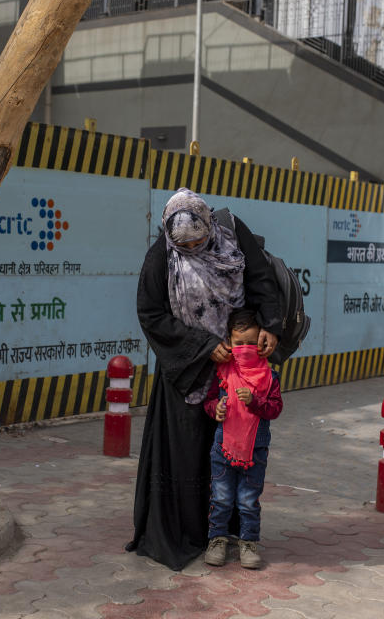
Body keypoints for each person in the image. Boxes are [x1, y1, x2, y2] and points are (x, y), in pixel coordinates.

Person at [126, 188, 282, 571]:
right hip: (187, 371)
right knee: (187, 450)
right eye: (186, 245)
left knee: (235, 453)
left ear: (209, 224)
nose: (194, 248)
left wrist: (270, 326)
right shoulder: (159, 255)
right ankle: (191, 534)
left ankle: (232, 533)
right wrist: (201, 346)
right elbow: (151, 314)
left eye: (199, 241)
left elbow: (262, 281)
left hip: (238, 364)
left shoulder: (232, 232)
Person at [202, 308, 283, 569]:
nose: (245, 348)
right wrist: (215, 409)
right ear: (228, 342)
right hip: (222, 448)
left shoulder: (269, 377)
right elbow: (209, 400)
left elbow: (275, 409)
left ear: (261, 341)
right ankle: (217, 540)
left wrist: (256, 401)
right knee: (221, 498)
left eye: (251, 342)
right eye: (239, 343)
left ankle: (248, 543)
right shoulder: (222, 371)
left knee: (248, 501)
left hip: (255, 451)